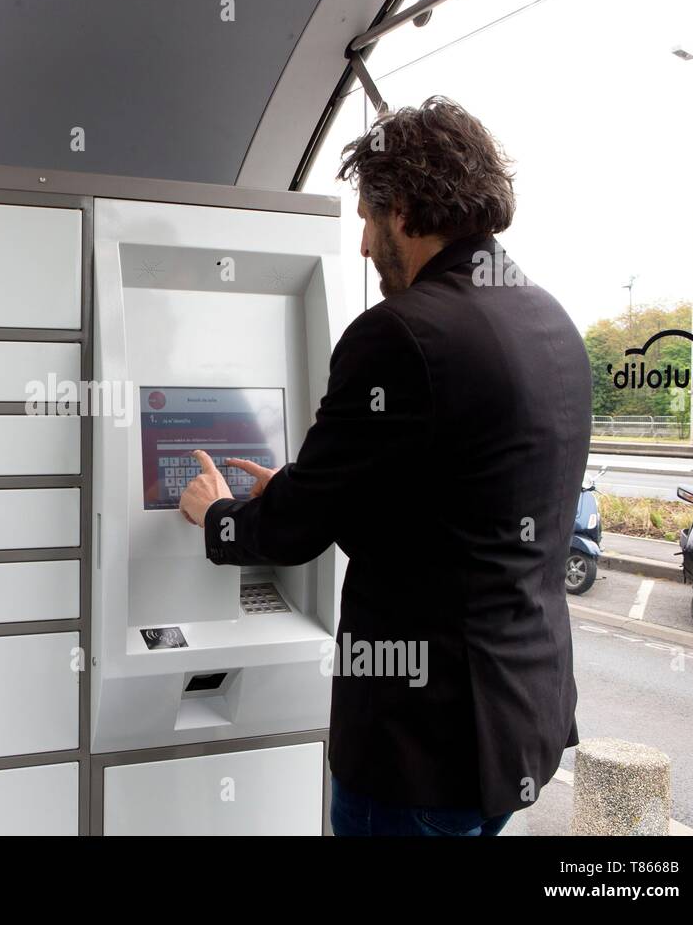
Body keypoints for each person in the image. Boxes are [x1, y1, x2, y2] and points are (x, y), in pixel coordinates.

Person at [178, 97, 590, 836]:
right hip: (519, 721)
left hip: (421, 748)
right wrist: (305, 491)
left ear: (402, 208)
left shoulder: (400, 334)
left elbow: (294, 531)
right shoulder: (551, 322)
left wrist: (218, 513)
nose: (364, 247)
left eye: (367, 220)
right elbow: (454, 503)